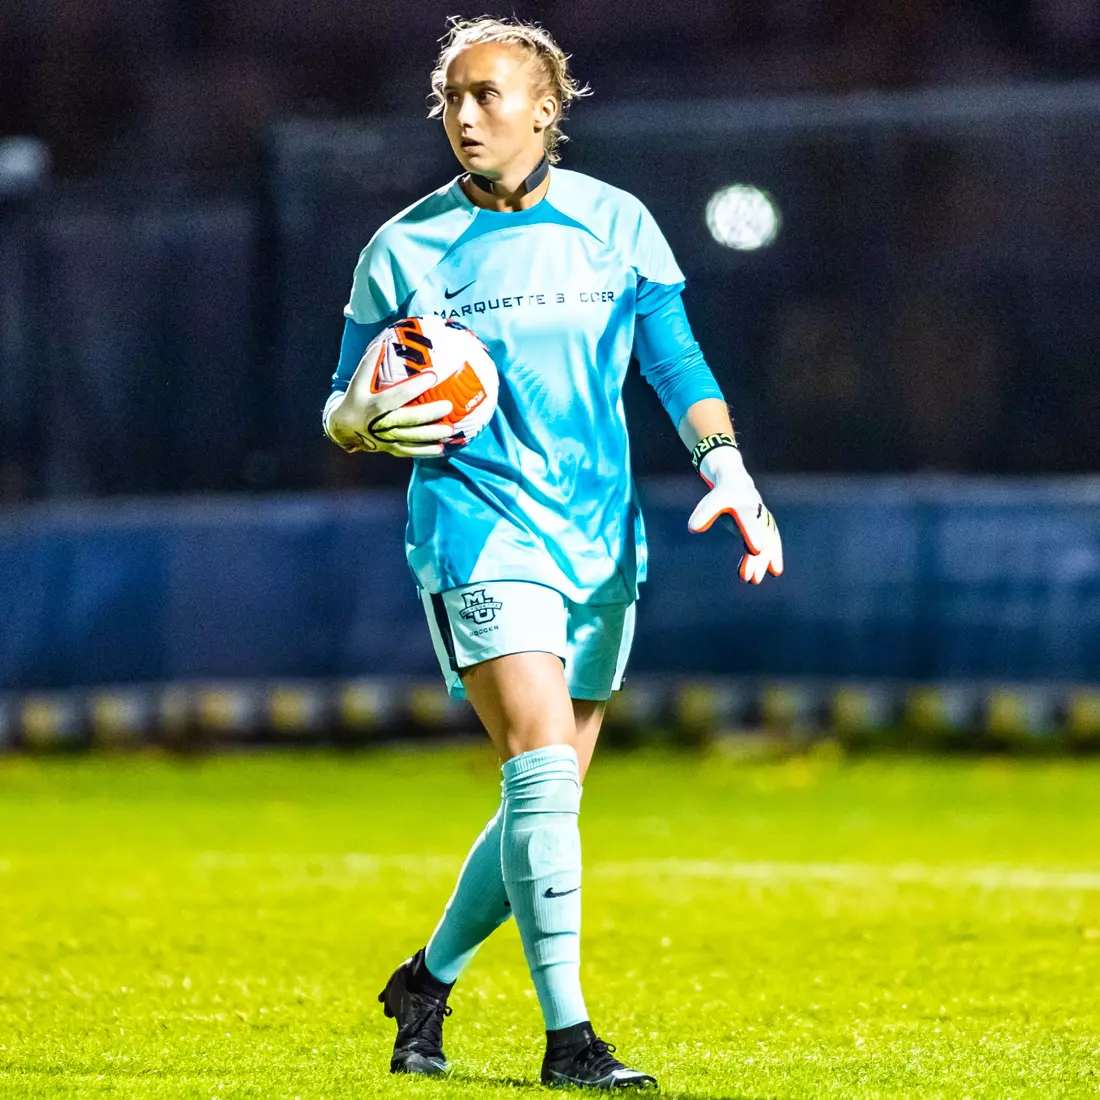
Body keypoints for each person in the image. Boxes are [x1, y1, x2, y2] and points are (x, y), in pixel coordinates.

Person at [323, 16, 783, 1090]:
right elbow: (339, 400)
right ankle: (569, 1038)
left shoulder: (614, 223)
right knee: (534, 770)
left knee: (549, 797)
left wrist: (726, 467)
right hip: (476, 528)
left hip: (596, 536)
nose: (467, 116)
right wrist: (361, 417)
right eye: (451, 100)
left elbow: (673, 361)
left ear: (545, 106)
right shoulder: (404, 247)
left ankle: (424, 979)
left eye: (489, 95)